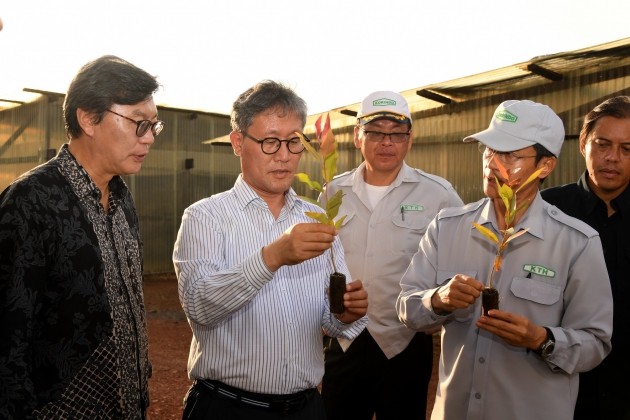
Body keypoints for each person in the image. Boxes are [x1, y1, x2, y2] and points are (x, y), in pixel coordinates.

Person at [396, 99, 613, 420]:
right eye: (489, 151)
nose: (492, 164)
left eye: (510, 155)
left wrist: (541, 339)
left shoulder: (577, 243)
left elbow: (595, 343)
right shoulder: (447, 227)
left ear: (546, 166)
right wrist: (438, 299)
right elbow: (407, 309)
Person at [172, 80, 368, 420]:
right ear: (237, 142)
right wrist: (272, 257)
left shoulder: (317, 217)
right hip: (229, 409)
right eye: (270, 142)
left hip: (306, 409)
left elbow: (331, 320)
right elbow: (200, 306)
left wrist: (345, 313)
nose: (284, 156)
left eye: (294, 142)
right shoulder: (206, 217)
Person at [0, 55, 163, 418]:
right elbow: (9, 340)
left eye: (154, 126)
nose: (149, 138)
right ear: (88, 118)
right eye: (139, 124)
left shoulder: (123, 198)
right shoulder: (31, 201)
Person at [320, 91, 463, 420]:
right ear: (358, 136)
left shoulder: (439, 195)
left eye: (397, 133)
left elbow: (456, 266)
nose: (387, 142)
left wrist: (438, 312)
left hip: (405, 342)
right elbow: (319, 263)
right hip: (345, 340)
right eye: (375, 132)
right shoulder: (332, 192)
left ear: (409, 139)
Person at [541, 96, 630, 420]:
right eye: (602, 144)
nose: (612, 158)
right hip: (555, 381)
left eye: (627, 149)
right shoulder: (546, 210)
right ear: (582, 143)